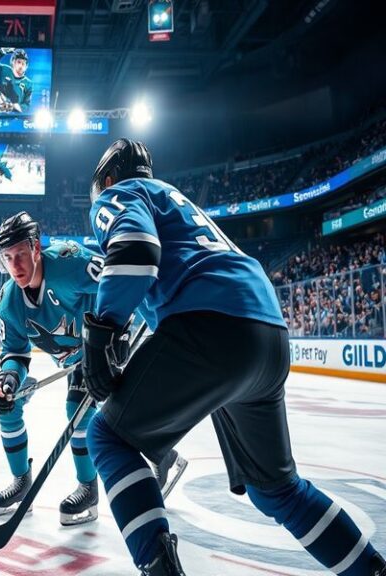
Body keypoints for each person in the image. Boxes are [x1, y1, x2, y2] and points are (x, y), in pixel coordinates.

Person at [80, 139, 385, 575]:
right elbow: (167, 273)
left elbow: (135, 250)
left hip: (212, 326)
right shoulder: (176, 201)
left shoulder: (119, 194)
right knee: (277, 489)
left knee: (109, 438)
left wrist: (102, 330)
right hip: (266, 331)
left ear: (106, 181)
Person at [0, 211, 186, 526]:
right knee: (6, 403)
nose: (16, 266)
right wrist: (8, 377)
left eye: (22, 255)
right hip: (73, 361)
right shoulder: (9, 301)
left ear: (36, 248)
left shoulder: (68, 263)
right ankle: (21, 482)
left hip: (99, 347)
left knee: (77, 410)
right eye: (8, 257)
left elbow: (123, 278)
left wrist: (120, 329)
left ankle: (88, 489)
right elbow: (15, 352)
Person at [0, 47, 32, 113]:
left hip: (13, 115)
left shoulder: (28, 83)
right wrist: (1, 51)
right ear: (13, 62)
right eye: (19, 62)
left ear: (26, 66)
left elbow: (26, 106)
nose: (21, 66)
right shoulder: (3, 70)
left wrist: (13, 107)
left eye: (23, 63)